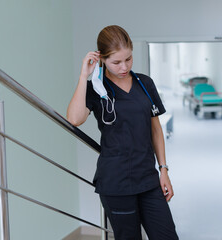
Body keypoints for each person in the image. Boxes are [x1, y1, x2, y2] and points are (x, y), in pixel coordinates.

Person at [67, 25, 178, 240]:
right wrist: (84, 76)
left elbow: (155, 129)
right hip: (116, 182)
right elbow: (74, 118)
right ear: (102, 59)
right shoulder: (96, 88)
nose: (124, 67)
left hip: (148, 179)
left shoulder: (144, 83)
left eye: (128, 59)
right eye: (116, 62)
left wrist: (163, 170)